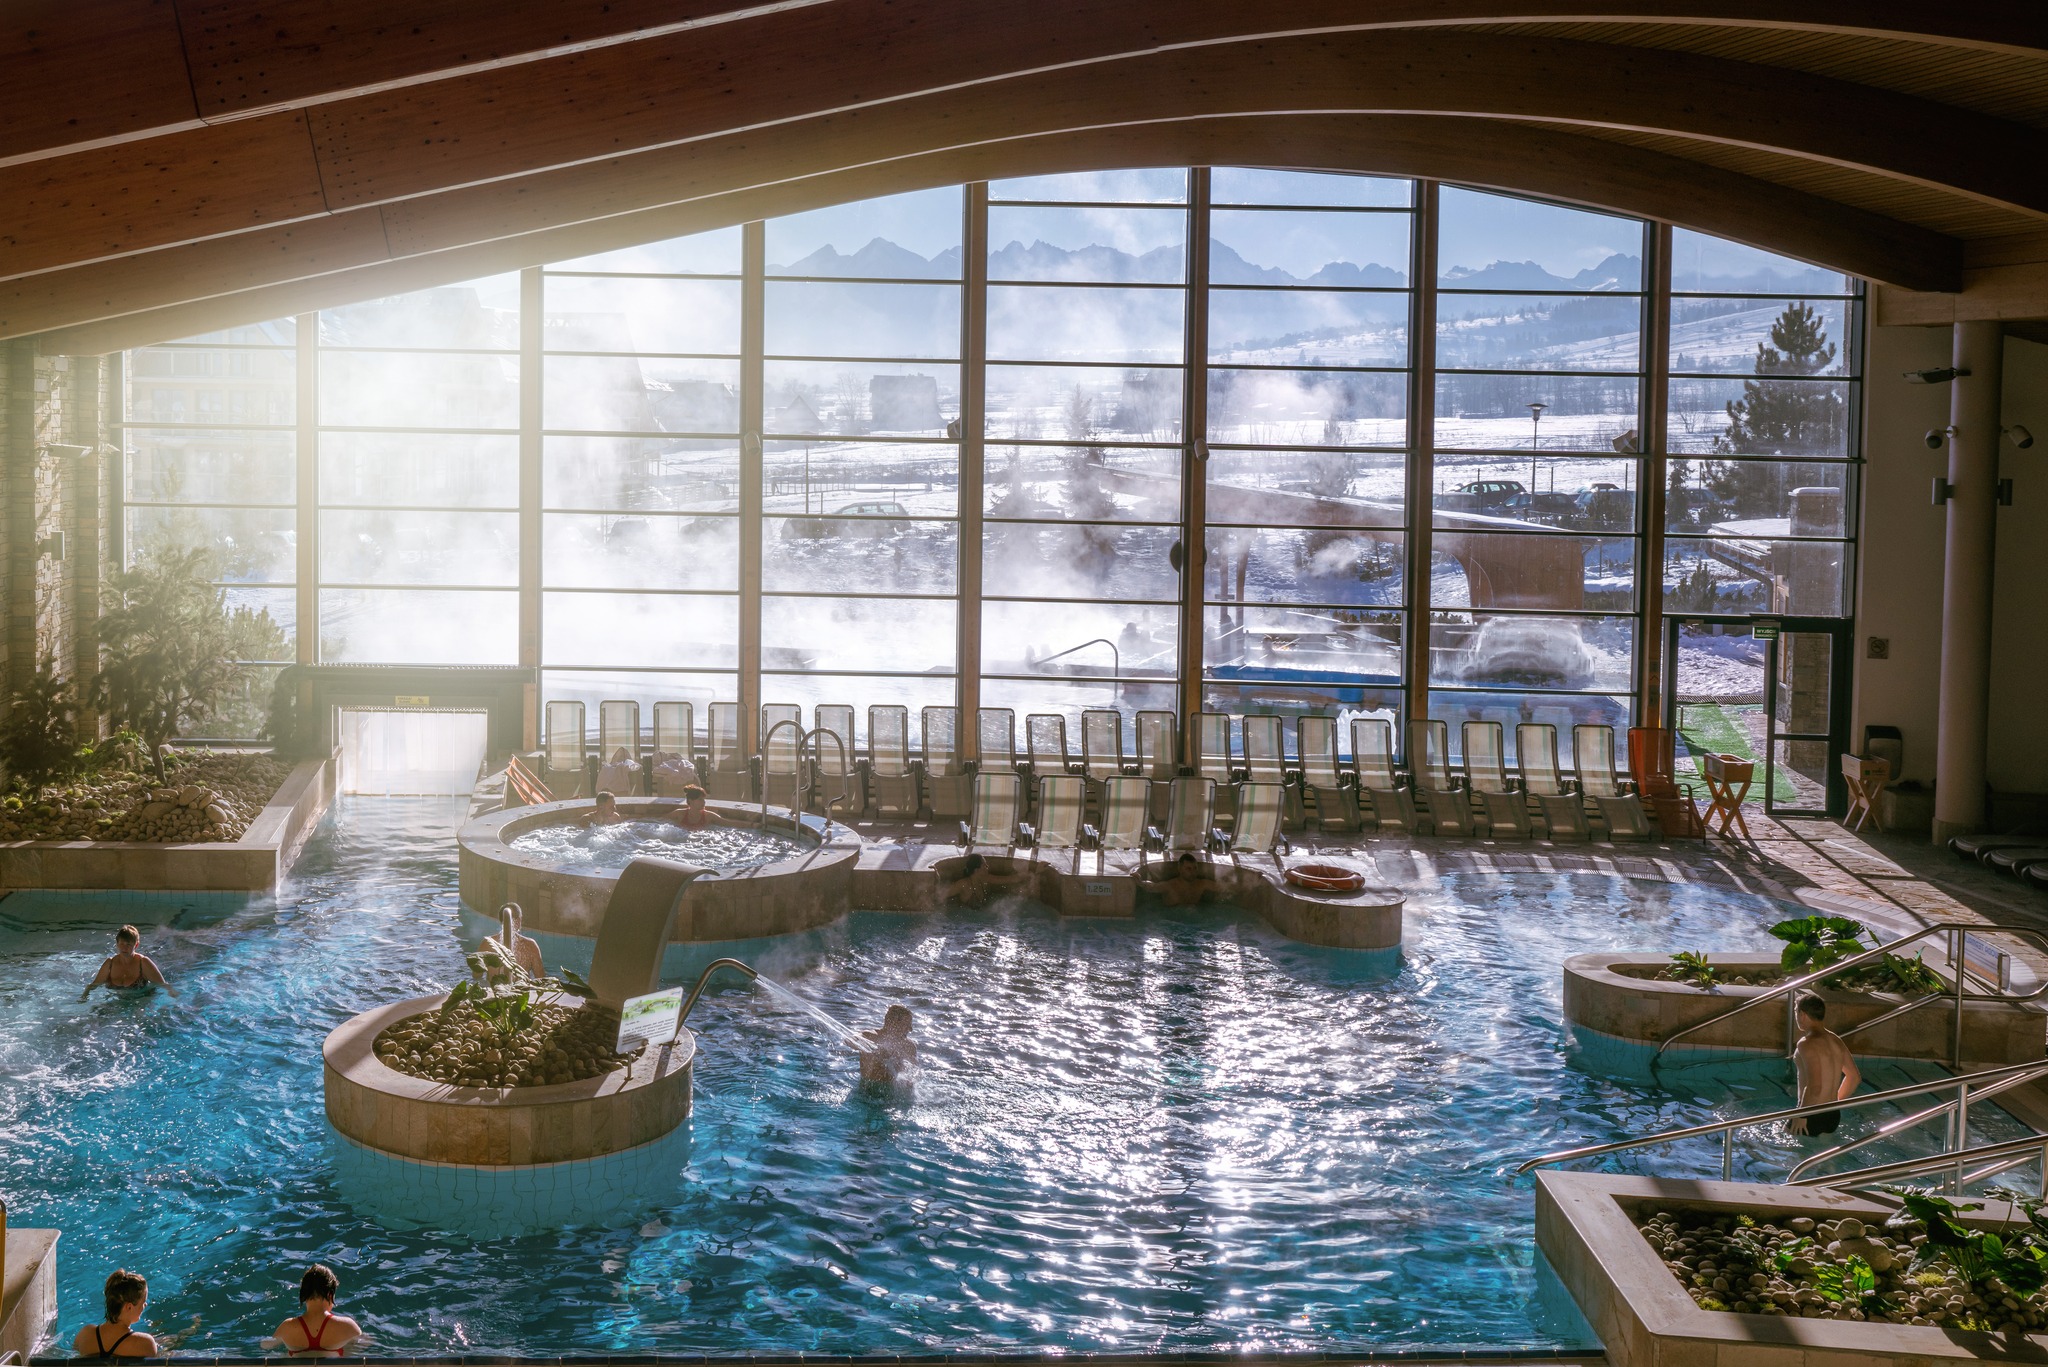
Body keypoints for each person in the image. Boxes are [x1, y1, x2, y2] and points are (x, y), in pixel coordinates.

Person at [1787, 995, 1861, 1136]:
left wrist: (1801, 1115)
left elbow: (1815, 1086)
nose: (1795, 1016)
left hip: (1810, 1113)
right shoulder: (1835, 1039)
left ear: (1802, 1014)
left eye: (1796, 1011)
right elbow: (1854, 1077)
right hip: (1832, 1114)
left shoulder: (1806, 1043)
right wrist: (1835, 1102)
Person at [272, 1264, 362, 1359]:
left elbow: (265, 1346)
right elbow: (364, 1345)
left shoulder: (287, 1327)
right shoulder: (347, 1326)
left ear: (304, 1295)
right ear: (330, 1295)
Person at [74, 1270, 160, 1359]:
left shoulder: (85, 1334)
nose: (145, 1305)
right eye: (143, 1302)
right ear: (129, 1307)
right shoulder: (145, 1343)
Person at [82, 925, 173, 1000]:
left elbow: (163, 985)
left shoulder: (143, 962)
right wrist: (84, 997)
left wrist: (174, 998)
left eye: (129, 944)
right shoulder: (110, 963)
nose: (124, 948)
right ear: (117, 944)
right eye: (121, 944)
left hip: (141, 1001)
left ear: (136, 945)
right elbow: (93, 985)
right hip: (116, 1001)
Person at [857, 1004, 918, 1089]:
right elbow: (849, 1040)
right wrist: (875, 1050)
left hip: (894, 1095)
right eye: (906, 1024)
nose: (910, 1029)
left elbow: (913, 1073)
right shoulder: (870, 1037)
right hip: (867, 1093)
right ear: (891, 1022)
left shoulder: (909, 1046)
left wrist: (908, 1082)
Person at [942, 852, 1030, 907]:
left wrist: (1035, 872)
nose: (988, 867)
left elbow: (1011, 879)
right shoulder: (963, 884)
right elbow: (941, 895)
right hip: (965, 922)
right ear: (977, 870)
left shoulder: (986, 879)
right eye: (985, 865)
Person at [489, 903, 545, 980]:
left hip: (494, 991)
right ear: (519, 920)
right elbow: (541, 979)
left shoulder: (487, 943)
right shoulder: (530, 946)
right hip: (521, 991)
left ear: (501, 920)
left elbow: (476, 976)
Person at [1147, 853, 1216, 907]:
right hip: (1171, 922)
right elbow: (1151, 887)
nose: (1193, 872)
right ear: (1180, 868)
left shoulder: (1202, 884)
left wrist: (1226, 880)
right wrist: (1139, 881)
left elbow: (1221, 887)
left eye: (1195, 868)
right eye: (1188, 869)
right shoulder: (1169, 886)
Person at [665, 785, 733, 830]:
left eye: (704, 799)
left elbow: (729, 823)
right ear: (690, 801)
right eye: (700, 799)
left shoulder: (709, 816)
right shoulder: (679, 814)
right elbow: (658, 820)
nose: (704, 802)